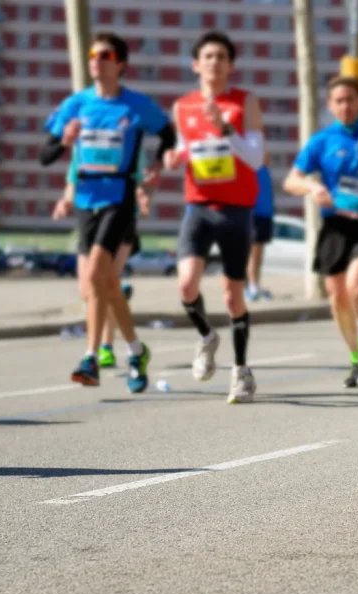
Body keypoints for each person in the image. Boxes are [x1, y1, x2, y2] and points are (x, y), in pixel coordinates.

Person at [39, 32, 175, 392]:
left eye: (105, 55)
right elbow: (45, 155)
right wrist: (64, 142)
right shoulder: (76, 104)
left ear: (120, 64)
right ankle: (136, 350)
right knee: (103, 285)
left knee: (99, 272)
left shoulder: (136, 105)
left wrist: (158, 164)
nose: (96, 60)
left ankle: (91, 357)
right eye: (92, 54)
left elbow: (169, 132)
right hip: (86, 201)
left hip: (120, 198)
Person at [164, 31, 264, 404]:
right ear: (196, 64)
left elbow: (255, 158)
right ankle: (206, 336)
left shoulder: (244, 102)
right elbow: (184, 149)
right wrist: (174, 158)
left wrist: (226, 129)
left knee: (231, 295)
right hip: (199, 206)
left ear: (230, 64)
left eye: (221, 56)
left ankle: (240, 371)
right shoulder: (184, 106)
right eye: (207, 56)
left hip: (236, 209)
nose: (214, 62)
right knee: (186, 284)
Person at [284, 76, 358, 388]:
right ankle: (355, 356)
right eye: (339, 100)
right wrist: (312, 186)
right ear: (330, 105)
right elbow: (291, 180)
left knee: (357, 285)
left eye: (350, 99)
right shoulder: (321, 141)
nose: (345, 106)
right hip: (336, 225)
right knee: (337, 294)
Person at [53, 151, 150, 368]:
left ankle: (101, 350)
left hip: (120, 219)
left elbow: (140, 179)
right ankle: (133, 348)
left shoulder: (126, 136)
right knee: (88, 291)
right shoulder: (84, 140)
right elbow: (72, 179)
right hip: (89, 219)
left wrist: (142, 194)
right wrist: (66, 201)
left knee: (104, 283)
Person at [246, 155, 275, 302]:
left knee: (259, 251)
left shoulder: (264, 169)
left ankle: (255, 283)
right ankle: (250, 286)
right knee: (253, 251)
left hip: (265, 211)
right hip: (253, 210)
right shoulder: (249, 163)